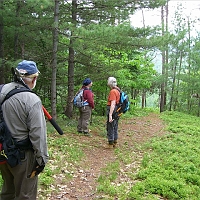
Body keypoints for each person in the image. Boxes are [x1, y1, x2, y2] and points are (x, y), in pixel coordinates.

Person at [0, 60, 49, 200]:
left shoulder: (2, 90)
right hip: (23, 156)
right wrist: (41, 159)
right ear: (34, 79)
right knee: (25, 195)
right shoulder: (31, 100)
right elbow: (38, 134)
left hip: (3, 152)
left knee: (7, 192)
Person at [106, 77, 120, 148]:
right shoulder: (118, 90)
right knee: (115, 126)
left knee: (110, 126)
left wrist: (110, 114)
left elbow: (113, 103)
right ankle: (115, 141)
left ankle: (110, 143)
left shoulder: (113, 92)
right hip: (117, 110)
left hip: (113, 109)